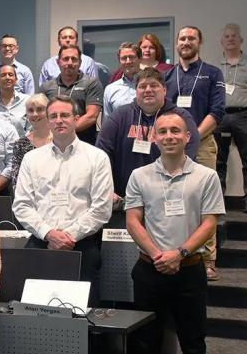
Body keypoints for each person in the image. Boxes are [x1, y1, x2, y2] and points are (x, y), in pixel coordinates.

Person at [123, 112, 223, 354]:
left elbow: (209, 223)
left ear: (187, 137)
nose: (168, 136)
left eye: (175, 131)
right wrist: (157, 255)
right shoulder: (139, 175)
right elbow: (134, 221)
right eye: (162, 131)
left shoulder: (206, 176)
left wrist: (178, 254)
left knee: (194, 345)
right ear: (155, 138)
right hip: (149, 270)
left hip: (189, 270)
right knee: (144, 343)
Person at [12, 96, 113, 305]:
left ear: (76, 119)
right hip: (41, 245)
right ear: (48, 121)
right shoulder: (32, 159)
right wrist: (49, 234)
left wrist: (69, 237)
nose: (59, 120)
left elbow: (102, 208)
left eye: (65, 115)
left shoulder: (97, 157)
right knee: (37, 315)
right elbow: (21, 205)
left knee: (84, 318)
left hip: (82, 246)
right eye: (54, 116)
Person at [164, 26, 225, 280]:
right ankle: (174, 251)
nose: (186, 42)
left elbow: (218, 111)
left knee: (205, 203)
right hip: (171, 147)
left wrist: (193, 137)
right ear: (176, 43)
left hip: (202, 144)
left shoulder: (212, 73)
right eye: (182, 38)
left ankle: (208, 259)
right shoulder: (168, 76)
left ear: (199, 42)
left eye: (191, 38)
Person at [96, 68, 199, 207]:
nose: (148, 90)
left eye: (154, 85)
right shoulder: (119, 116)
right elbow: (102, 154)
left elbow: (189, 155)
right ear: (136, 91)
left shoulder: (181, 117)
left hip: (168, 197)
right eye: (142, 86)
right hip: (123, 199)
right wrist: (106, 188)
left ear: (164, 90)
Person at [39, 46, 103, 144]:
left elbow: (92, 116)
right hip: (53, 145)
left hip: (84, 144)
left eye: (74, 59)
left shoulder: (91, 83)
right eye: (65, 59)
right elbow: (42, 117)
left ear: (80, 62)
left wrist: (64, 131)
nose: (69, 63)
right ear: (58, 62)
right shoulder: (46, 87)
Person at [218, 23, 247, 195]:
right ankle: (218, 198)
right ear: (222, 42)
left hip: (243, 115)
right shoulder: (215, 67)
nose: (230, 39)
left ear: (241, 40)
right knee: (219, 159)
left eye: (234, 36)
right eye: (227, 36)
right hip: (221, 116)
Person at [8, 94, 53, 184]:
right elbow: (17, 179)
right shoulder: (20, 144)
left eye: (40, 109)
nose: (35, 114)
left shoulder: (60, 140)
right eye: (30, 110)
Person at [109, 33, 173, 83]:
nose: (147, 50)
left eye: (151, 47)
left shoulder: (168, 69)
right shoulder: (120, 73)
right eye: (144, 47)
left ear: (157, 50)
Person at [103, 43, 142, 119]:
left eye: (131, 57)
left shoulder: (150, 84)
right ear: (119, 61)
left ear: (140, 59)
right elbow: (107, 121)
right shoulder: (110, 89)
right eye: (124, 58)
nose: (128, 61)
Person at [0, 64, 30, 136]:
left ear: (16, 80)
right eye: (3, 75)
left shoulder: (27, 101)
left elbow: (31, 129)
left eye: (10, 74)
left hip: (21, 145)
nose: (7, 77)